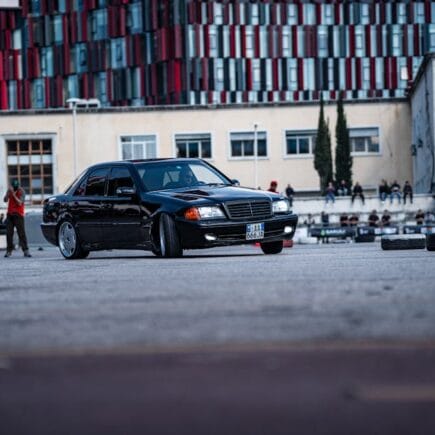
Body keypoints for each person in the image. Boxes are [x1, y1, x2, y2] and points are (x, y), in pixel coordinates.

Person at [3, 179, 31, 258]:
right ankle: (9, 251)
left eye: (16, 187)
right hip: (10, 214)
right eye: (13, 186)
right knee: (9, 233)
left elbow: (19, 203)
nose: (15, 188)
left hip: (18, 215)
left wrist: (13, 195)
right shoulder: (10, 191)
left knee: (21, 233)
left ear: (18, 186)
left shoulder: (21, 191)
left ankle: (25, 250)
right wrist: (8, 194)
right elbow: (5, 200)